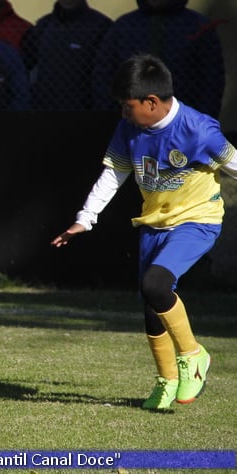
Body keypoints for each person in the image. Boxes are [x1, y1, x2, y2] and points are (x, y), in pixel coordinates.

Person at [51, 54, 236, 410]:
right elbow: (113, 175)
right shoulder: (128, 129)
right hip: (154, 224)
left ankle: (194, 356)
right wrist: (85, 218)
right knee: (152, 305)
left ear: (152, 102)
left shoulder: (198, 130)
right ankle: (166, 381)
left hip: (197, 220)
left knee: (155, 284)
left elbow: (234, 165)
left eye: (127, 106)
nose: (123, 112)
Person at [91, 0, 224, 118]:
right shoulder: (123, 27)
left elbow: (212, 81)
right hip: (131, 126)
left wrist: (200, 124)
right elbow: (103, 76)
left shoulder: (198, 26)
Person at [21, 0, 113, 110]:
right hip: (45, 112)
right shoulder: (43, 27)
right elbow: (25, 67)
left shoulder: (101, 26)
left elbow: (107, 74)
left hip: (86, 113)